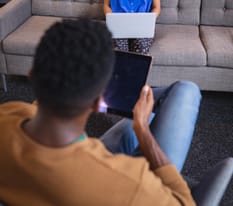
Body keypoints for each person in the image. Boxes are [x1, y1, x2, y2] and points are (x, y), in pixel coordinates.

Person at [0, 18, 201, 205]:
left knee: (155, 103)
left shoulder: (9, 114)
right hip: (97, 176)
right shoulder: (133, 184)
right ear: (99, 102)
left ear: (32, 76)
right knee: (185, 90)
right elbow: (184, 202)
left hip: (75, 164)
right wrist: (142, 130)